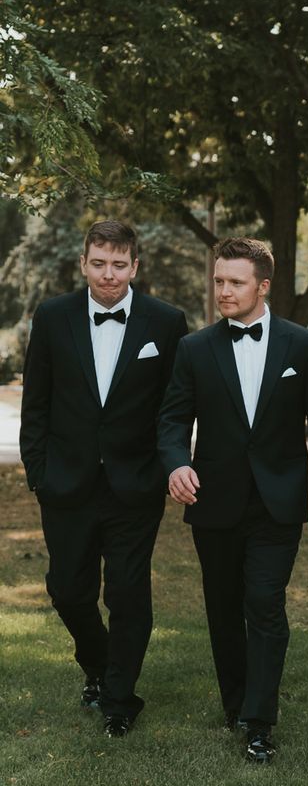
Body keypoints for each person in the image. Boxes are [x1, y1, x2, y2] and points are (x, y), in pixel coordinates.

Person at [159, 236, 308, 762]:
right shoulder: (194, 349)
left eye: (235, 282)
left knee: (264, 603)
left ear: (263, 286)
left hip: (277, 503)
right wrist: (177, 463)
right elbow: (172, 421)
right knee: (223, 609)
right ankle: (236, 702)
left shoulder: (303, 345)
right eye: (219, 280)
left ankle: (259, 721)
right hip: (213, 501)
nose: (224, 290)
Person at [19, 219, 188, 737]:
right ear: (83, 264)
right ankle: (98, 664)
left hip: (134, 485)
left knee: (128, 593)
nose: (108, 274)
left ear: (135, 266)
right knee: (68, 591)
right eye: (98, 264)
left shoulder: (166, 322)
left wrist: (165, 467)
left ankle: (118, 698)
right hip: (65, 484)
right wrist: (38, 472)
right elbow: (36, 403)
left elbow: (174, 408)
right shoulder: (53, 317)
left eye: (118, 264)